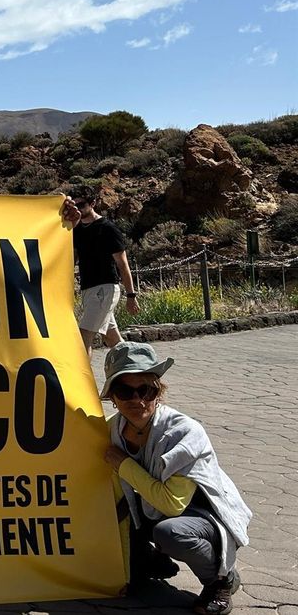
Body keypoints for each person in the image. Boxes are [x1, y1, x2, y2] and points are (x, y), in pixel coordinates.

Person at [101, 342, 251, 615]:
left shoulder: (184, 433)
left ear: (159, 392)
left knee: (171, 533)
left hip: (201, 516)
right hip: (149, 508)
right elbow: (115, 494)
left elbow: (172, 505)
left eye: (146, 389)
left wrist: (124, 464)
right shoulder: (113, 429)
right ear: (113, 396)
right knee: (107, 516)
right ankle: (151, 561)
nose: (138, 400)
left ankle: (221, 580)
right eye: (125, 391)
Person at [71, 185, 138, 355]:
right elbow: (73, 259)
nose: (78, 209)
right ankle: (140, 370)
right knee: (112, 338)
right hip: (88, 288)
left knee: (84, 336)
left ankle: (83, 380)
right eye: (75, 205)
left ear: (93, 203)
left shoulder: (107, 228)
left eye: (82, 204)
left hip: (105, 288)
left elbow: (122, 264)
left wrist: (131, 295)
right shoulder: (77, 230)